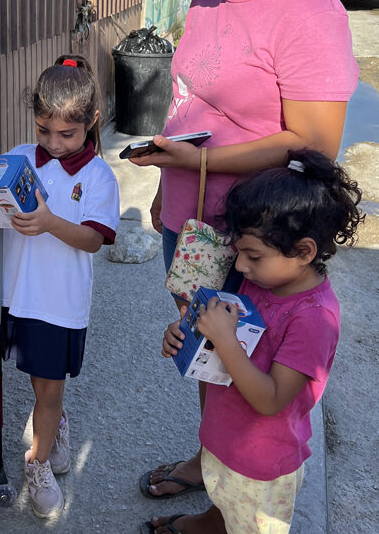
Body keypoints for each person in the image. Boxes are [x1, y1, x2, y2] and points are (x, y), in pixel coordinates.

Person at [131, 0, 359, 498]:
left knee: (248, 362)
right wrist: (164, 184)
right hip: (193, 224)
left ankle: (242, 489)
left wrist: (196, 164)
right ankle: (212, 462)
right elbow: (190, 101)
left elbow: (314, 147)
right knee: (206, 351)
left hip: (254, 239)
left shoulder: (309, 15)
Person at [143, 149, 364, 533]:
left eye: (252, 256)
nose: (240, 266)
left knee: (246, 518)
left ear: (304, 251)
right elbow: (235, 344)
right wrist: (188, 337)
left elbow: (271, 398)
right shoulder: (267, 280)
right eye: (239, 252)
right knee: (225, 498)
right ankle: (213, 522)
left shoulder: (314, 317)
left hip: (261, 468)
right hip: (224, 437)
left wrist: (225, 341)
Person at [0, 55, 120, 518]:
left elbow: (93, 240)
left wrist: (50, 221)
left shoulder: (97, 176)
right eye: (42, 130)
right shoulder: (16, 158)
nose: (53, 144)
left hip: (58, 303)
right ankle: (57, 427)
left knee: (47, 392)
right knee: (33, 380)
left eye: (67, 134)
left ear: (92, 121)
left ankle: (38, 462)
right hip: (15, 295)